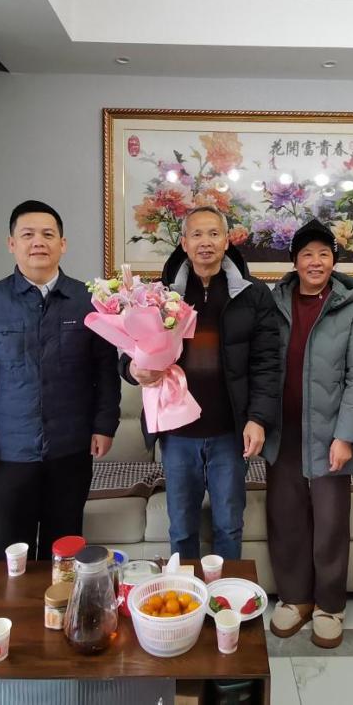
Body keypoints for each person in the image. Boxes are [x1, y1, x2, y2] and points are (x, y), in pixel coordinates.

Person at [0, 200, 120, 563]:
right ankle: (11, 604)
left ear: (63, 243)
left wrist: (104, 425)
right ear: (11, 243)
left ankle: (59, 603)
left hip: (71, 448)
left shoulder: (88, 300)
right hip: (8, 452)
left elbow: (105, 370)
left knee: (65, 552)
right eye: (27, 234)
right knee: (10, 554)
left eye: (48, 234)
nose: (38, 242)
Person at [123, 205, 279, 559]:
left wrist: (258, 418)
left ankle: (226, 593)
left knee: (229, 526)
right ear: (184, 243)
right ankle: (185, 594)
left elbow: (268, 363)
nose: (205, 242)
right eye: (196, 234)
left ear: (226, 241)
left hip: (230, 432)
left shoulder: (253, 295)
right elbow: (127, 349)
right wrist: (133, 369)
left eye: (213, 234)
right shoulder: (159, 294)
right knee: (181, 528)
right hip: (177, 433)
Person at [264, 219, 353, 649]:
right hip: (283, 431)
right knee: (285, 517)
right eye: (307, 254)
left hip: (331, 434)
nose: (315, 262)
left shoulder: (351, 307)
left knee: (330, 522)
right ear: (294, 261)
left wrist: (346, 436)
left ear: (333, 260)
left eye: (323, 254)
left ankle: (330, 605)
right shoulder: (274, 303)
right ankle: (295, 599)